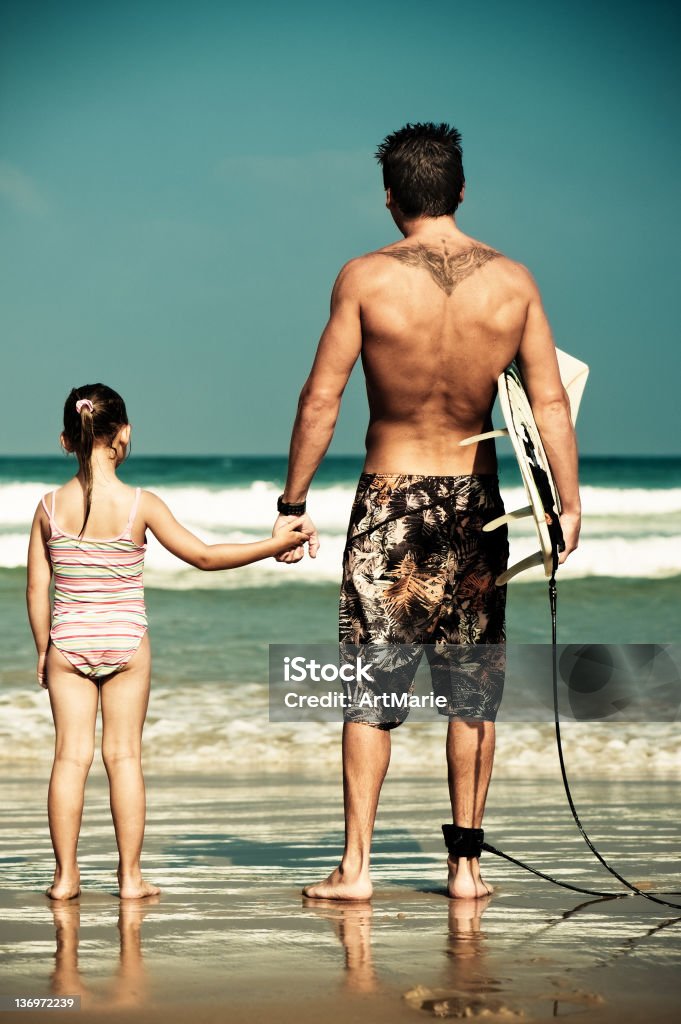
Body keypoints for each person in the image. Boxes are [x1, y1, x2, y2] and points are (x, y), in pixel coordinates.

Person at [272, 122, 581, 900]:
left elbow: (322, 397)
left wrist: (292, 503)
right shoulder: (513, 282)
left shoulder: (364, 278)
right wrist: (566, 505)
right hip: (478, 506)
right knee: (473, 689)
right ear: (461, 190)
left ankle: (356, 869)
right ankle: (466, 871)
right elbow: (547, 400)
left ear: (390, 198)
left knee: (370, 691)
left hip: (391, 503)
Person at [27, 384, 309, 900]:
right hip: (126, 642)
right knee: (124, 758)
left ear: (66, 440)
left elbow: (36, 589)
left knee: (70, 758)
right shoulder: (141, 505)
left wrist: (44, 649)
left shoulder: (47, 508)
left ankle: (66, 877)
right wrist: (274, 545)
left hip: (68, 641)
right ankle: (130, 878)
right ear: (124, 434)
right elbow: (203, 556)